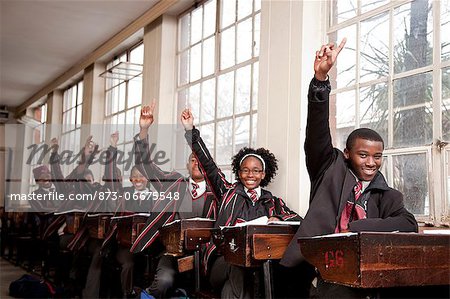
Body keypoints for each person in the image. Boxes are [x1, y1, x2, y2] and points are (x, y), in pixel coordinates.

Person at [280, 38, 418, 298]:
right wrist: (321, 80)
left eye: (377, 156)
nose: (371, 162)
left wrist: (355, 229)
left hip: (365, 273)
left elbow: (408, 223)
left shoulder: (385, 193)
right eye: (363, 154)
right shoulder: (329, 168)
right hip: (318, 270)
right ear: (347, 154)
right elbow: (317, 131)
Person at [181, 109, 301, 299]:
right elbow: (209, 165)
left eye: (255, 171)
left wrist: (277, 218)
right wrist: (191, 131)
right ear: (239, 173)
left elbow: (298, 220)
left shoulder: (272, 201)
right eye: (245, 170)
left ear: (263, 174)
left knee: (231, 290)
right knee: (238, 263)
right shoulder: (228, 192)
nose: (250, 175)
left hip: (256, 268)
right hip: (222, 262)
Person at [131, 104, 218, 298]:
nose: (197, 163)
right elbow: (145, 167)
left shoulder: (217, 193)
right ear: (187, 165)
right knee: (164, 282)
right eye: (192, 160)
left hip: (204, 256)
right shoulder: (174, 183)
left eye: (200, 160)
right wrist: (144, 130)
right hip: (170, 254)